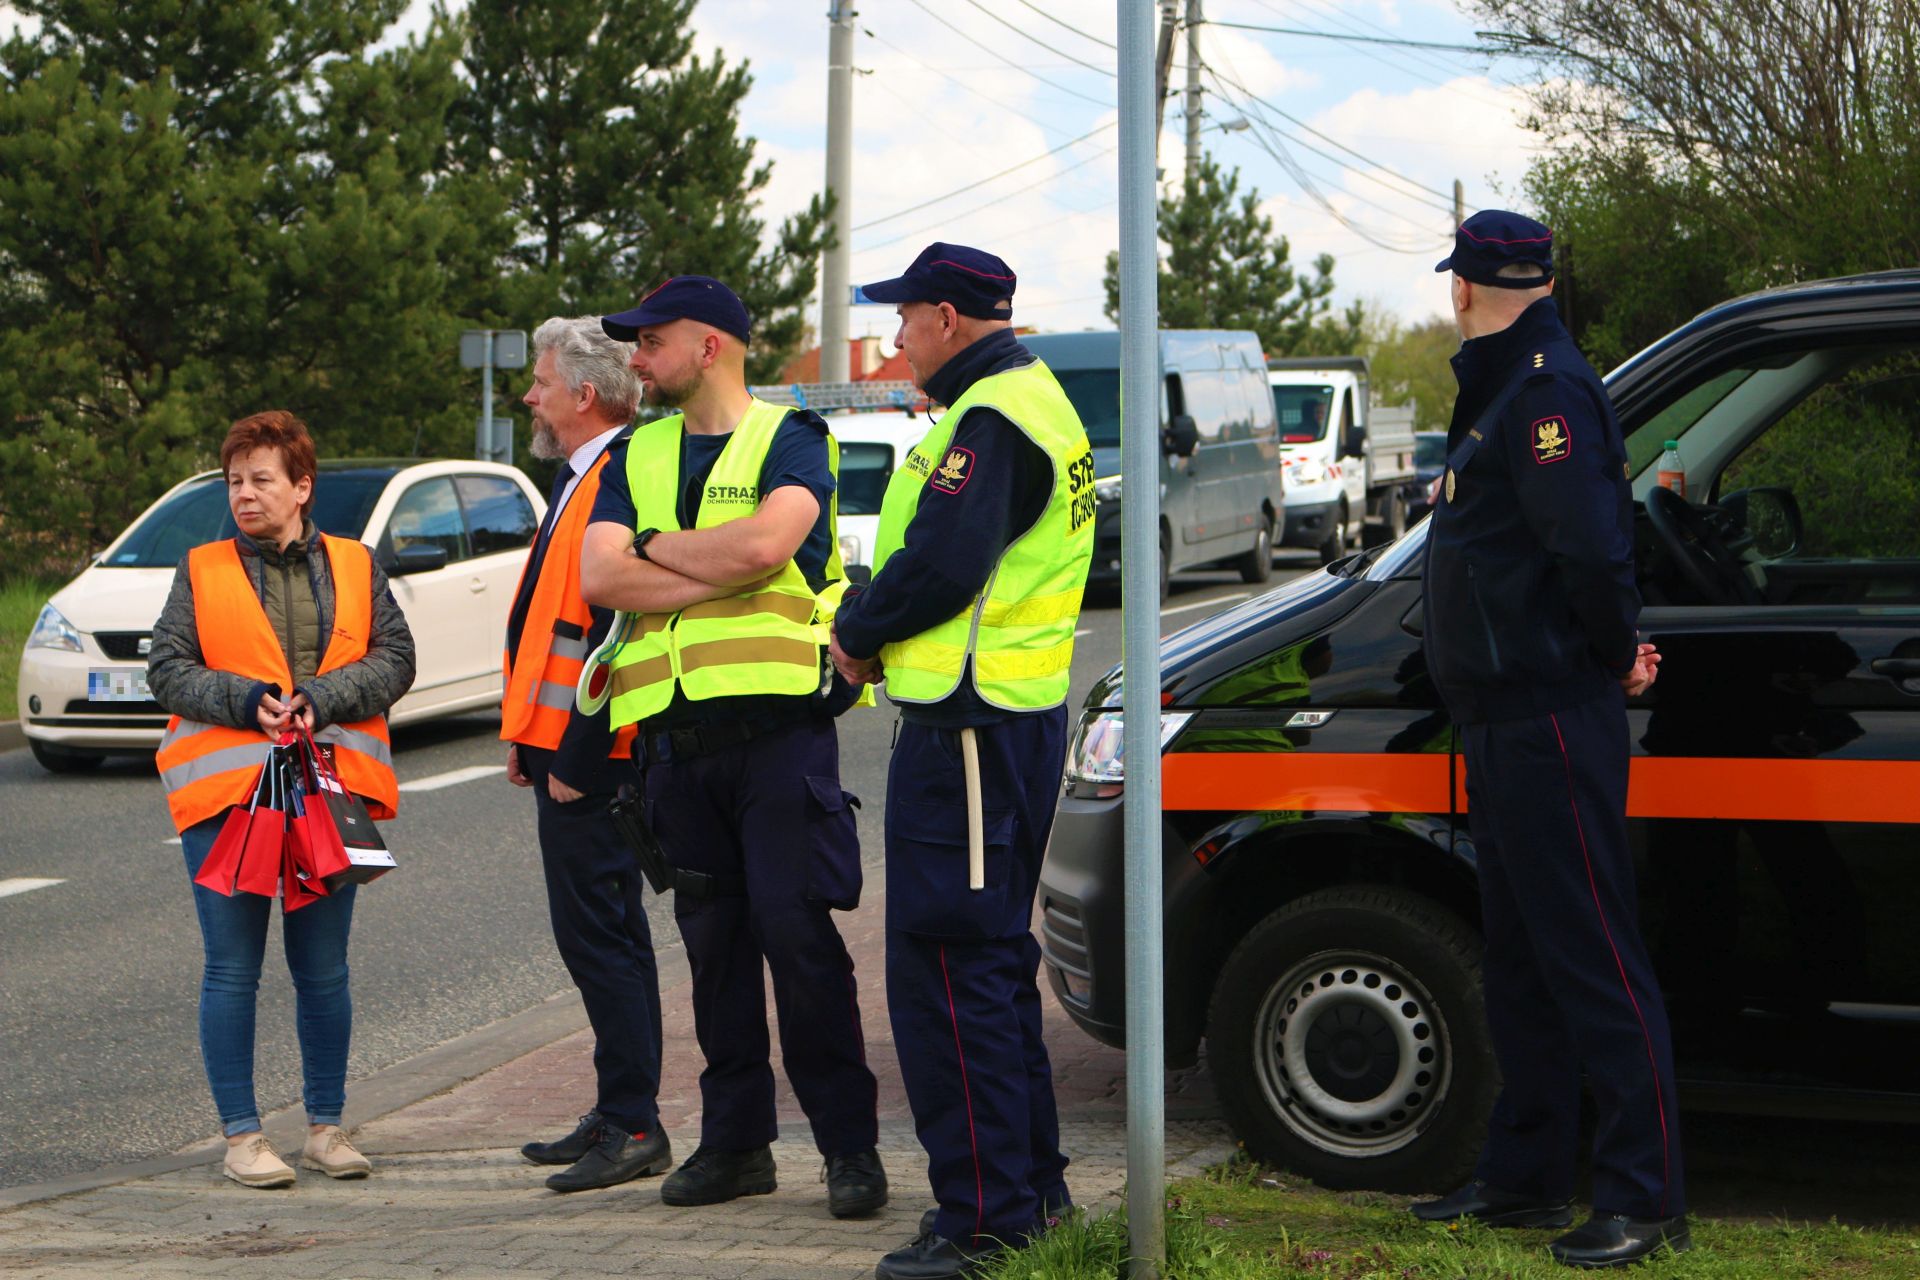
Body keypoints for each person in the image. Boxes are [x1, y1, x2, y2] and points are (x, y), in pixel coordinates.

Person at [1410, 210, 1688, 1269]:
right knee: (1523, 960)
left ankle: (1644, 1194)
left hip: (1545, 714)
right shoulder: (1508, 388)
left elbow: (1590, 548)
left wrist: (1614, 653)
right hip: (1503, 712)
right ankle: (1524, 1176)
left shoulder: (1541, 393)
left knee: (1594, 958)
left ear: (1465, 288)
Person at [578, 275, 886, 1220]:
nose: (635, 358)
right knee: (713, 954)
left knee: (799, 944)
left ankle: (848, 1149)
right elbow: (601, 573)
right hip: (675, 747)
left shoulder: (793, 437)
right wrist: (714, 561)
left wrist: (660, 547)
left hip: (779, 740)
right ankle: (736, 1147)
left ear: (710, 345)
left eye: (651, 340)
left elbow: (769, 550)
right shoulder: (637, 449)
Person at [827, 243, 1096, 1280]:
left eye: (903, 319)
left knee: (949, 974)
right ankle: (1035, 1190)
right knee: (988, 966)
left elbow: (940, 563)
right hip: (1008, 722)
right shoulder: (1038, 401)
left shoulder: (988, 422)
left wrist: (856, 633)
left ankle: (986, 1218)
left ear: (947, 316)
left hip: (970, 730)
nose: (896, 340)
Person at [148, 410, 415, 1189]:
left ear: (302, 487)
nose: (245, 494)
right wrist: (249, 700)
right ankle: (242, 1138)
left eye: (261, 480)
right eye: (235, 481)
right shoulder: (200, 568)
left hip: (326, 794)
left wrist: (321, 698)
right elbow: (167, 666)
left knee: (323, 969)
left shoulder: (358, 565)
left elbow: (396, 658)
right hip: (229, 797)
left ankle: (326, 1130)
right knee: (231, 968)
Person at [503, 317, 669, 1192]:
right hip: (561, 745)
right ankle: (620, 1108)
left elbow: (614, 632)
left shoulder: (615, 478)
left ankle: (634, 1122)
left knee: (602, 938)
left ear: (584, 394)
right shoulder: (584, 477)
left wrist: (576, 751)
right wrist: (529, 739)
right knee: (603, 936)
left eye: (540, 382)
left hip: (591, 755)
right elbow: (554, 629)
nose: (529, 396)